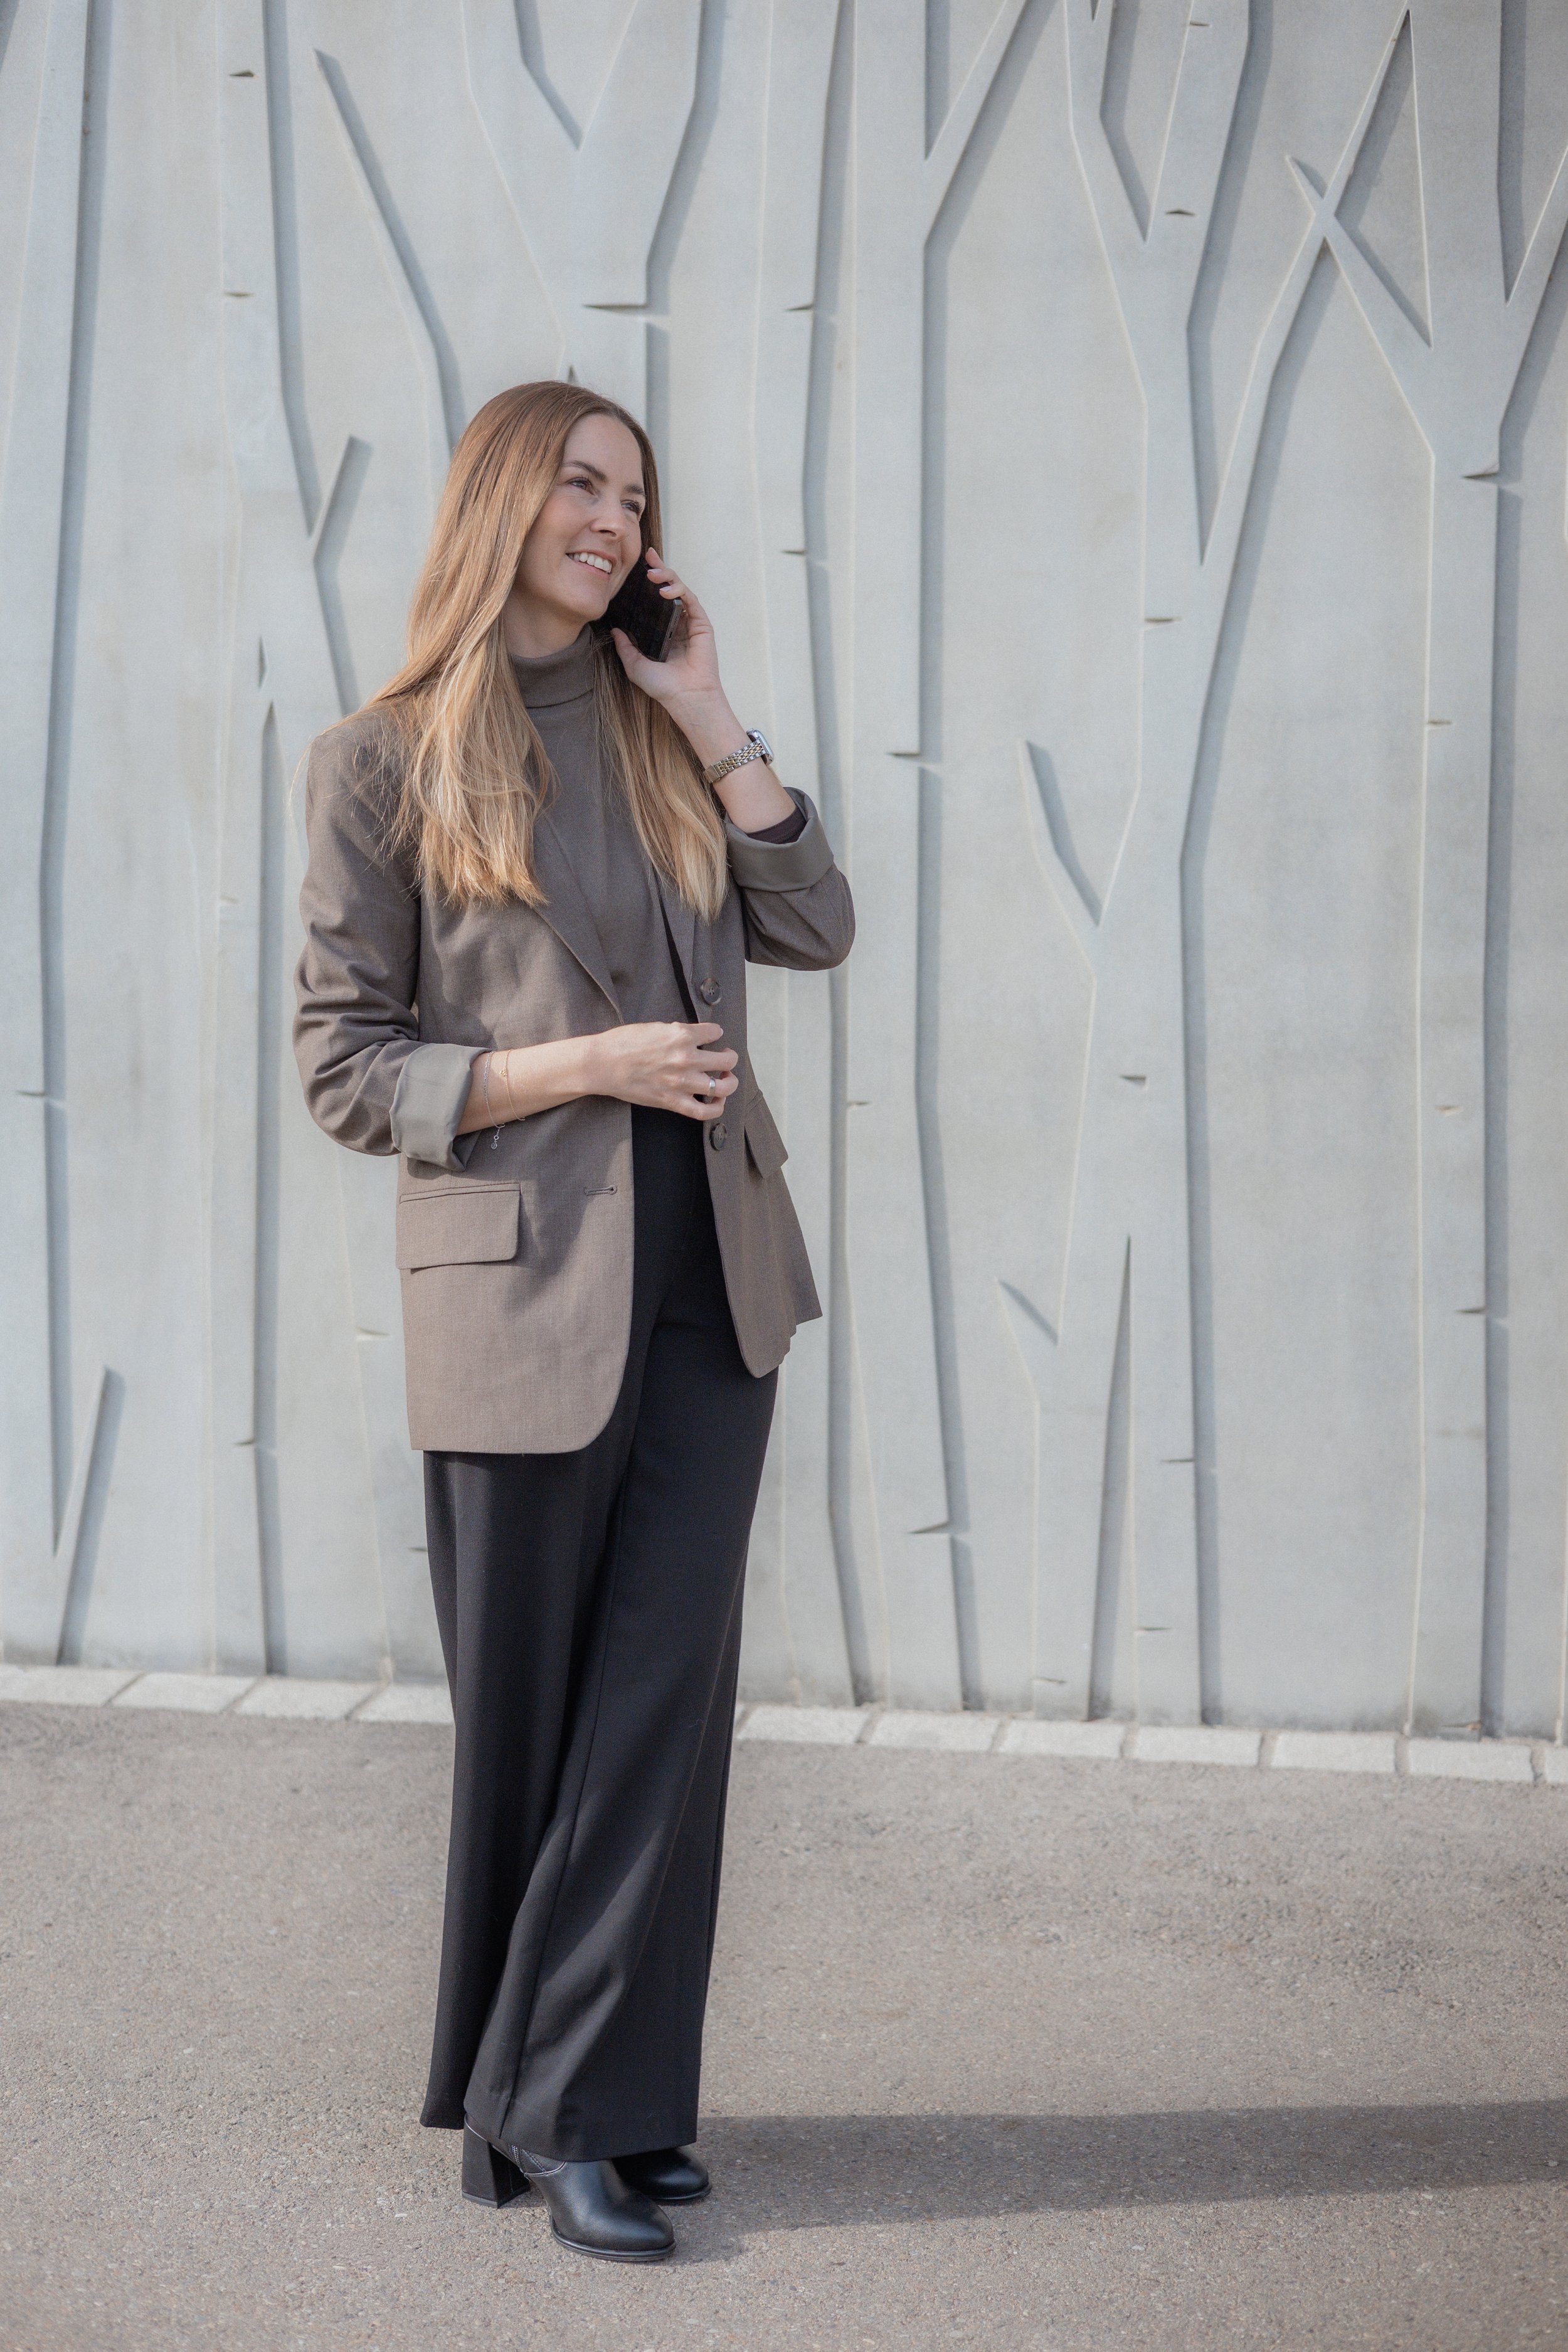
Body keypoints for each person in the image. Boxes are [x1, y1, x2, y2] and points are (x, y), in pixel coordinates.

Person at [292, 381, 854, 2262]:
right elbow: (346, 1065)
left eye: (634, 493)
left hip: (715, 1283)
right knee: (538, 1720)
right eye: (580, 484)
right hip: (520, 1291)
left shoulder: (660, 732)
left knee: (660, 1707)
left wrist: (714, 714)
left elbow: (817, 919)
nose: (612, 517)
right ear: (502, 502)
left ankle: (583, 2105)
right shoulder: (380, 762)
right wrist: (580, 1064)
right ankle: (548, 2104)